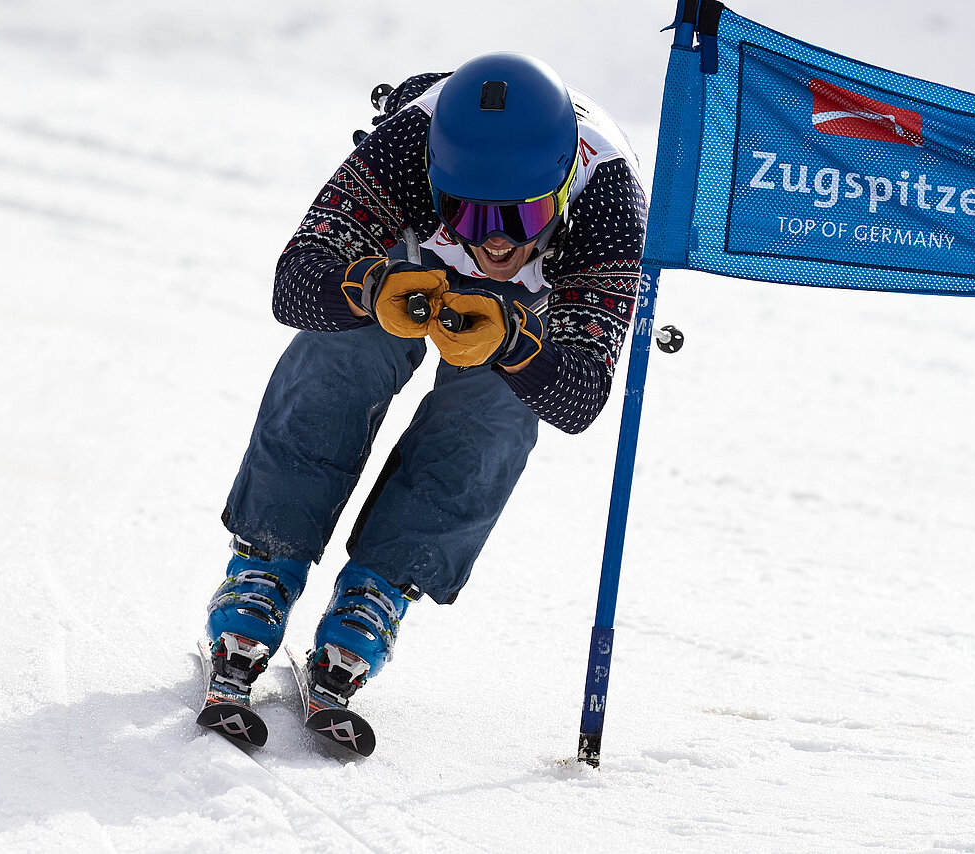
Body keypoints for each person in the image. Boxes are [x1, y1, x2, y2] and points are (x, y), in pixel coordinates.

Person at [202, 52, 647, 709]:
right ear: (437, 183)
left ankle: (379, 588)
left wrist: (517, 348)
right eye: (470, 215)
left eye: (522, 218)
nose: (495, 245)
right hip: (409, 261)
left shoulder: (609, 206)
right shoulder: (406, 147)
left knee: (494, 412)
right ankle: (266, 561)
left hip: (531, 305)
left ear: (559, 192)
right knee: (343, 354)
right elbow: (291, 285)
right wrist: (365, 289)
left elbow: (580, 399)